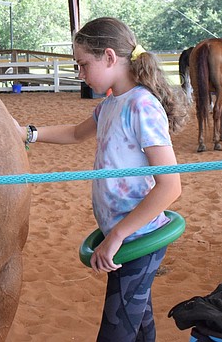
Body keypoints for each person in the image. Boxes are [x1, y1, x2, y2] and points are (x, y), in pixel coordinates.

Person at [20, 17, 184, 342]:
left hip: (138, 239)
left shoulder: (142, 107)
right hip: (125, 236)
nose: (80, 73)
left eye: (83, 64)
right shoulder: (110, 104)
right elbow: (75, 132)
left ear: (109, 57)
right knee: (138, 327)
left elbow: (171, 186)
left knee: (115, 332)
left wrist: (117, 236)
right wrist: (28, 133)